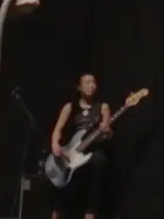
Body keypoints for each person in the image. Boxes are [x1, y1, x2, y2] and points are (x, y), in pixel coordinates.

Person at [49, 73, 112, 219]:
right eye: (87, 82)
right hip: (72, 151)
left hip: (93, 150)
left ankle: (90, 214)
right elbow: (58, 128)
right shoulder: (70, 107)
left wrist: (106, 131)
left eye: (94, 82)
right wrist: (55, 144)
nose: (92, 85)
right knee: (62, 187)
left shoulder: (103, 107)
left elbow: (108, 135)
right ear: (79, 87)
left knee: (100, 160)